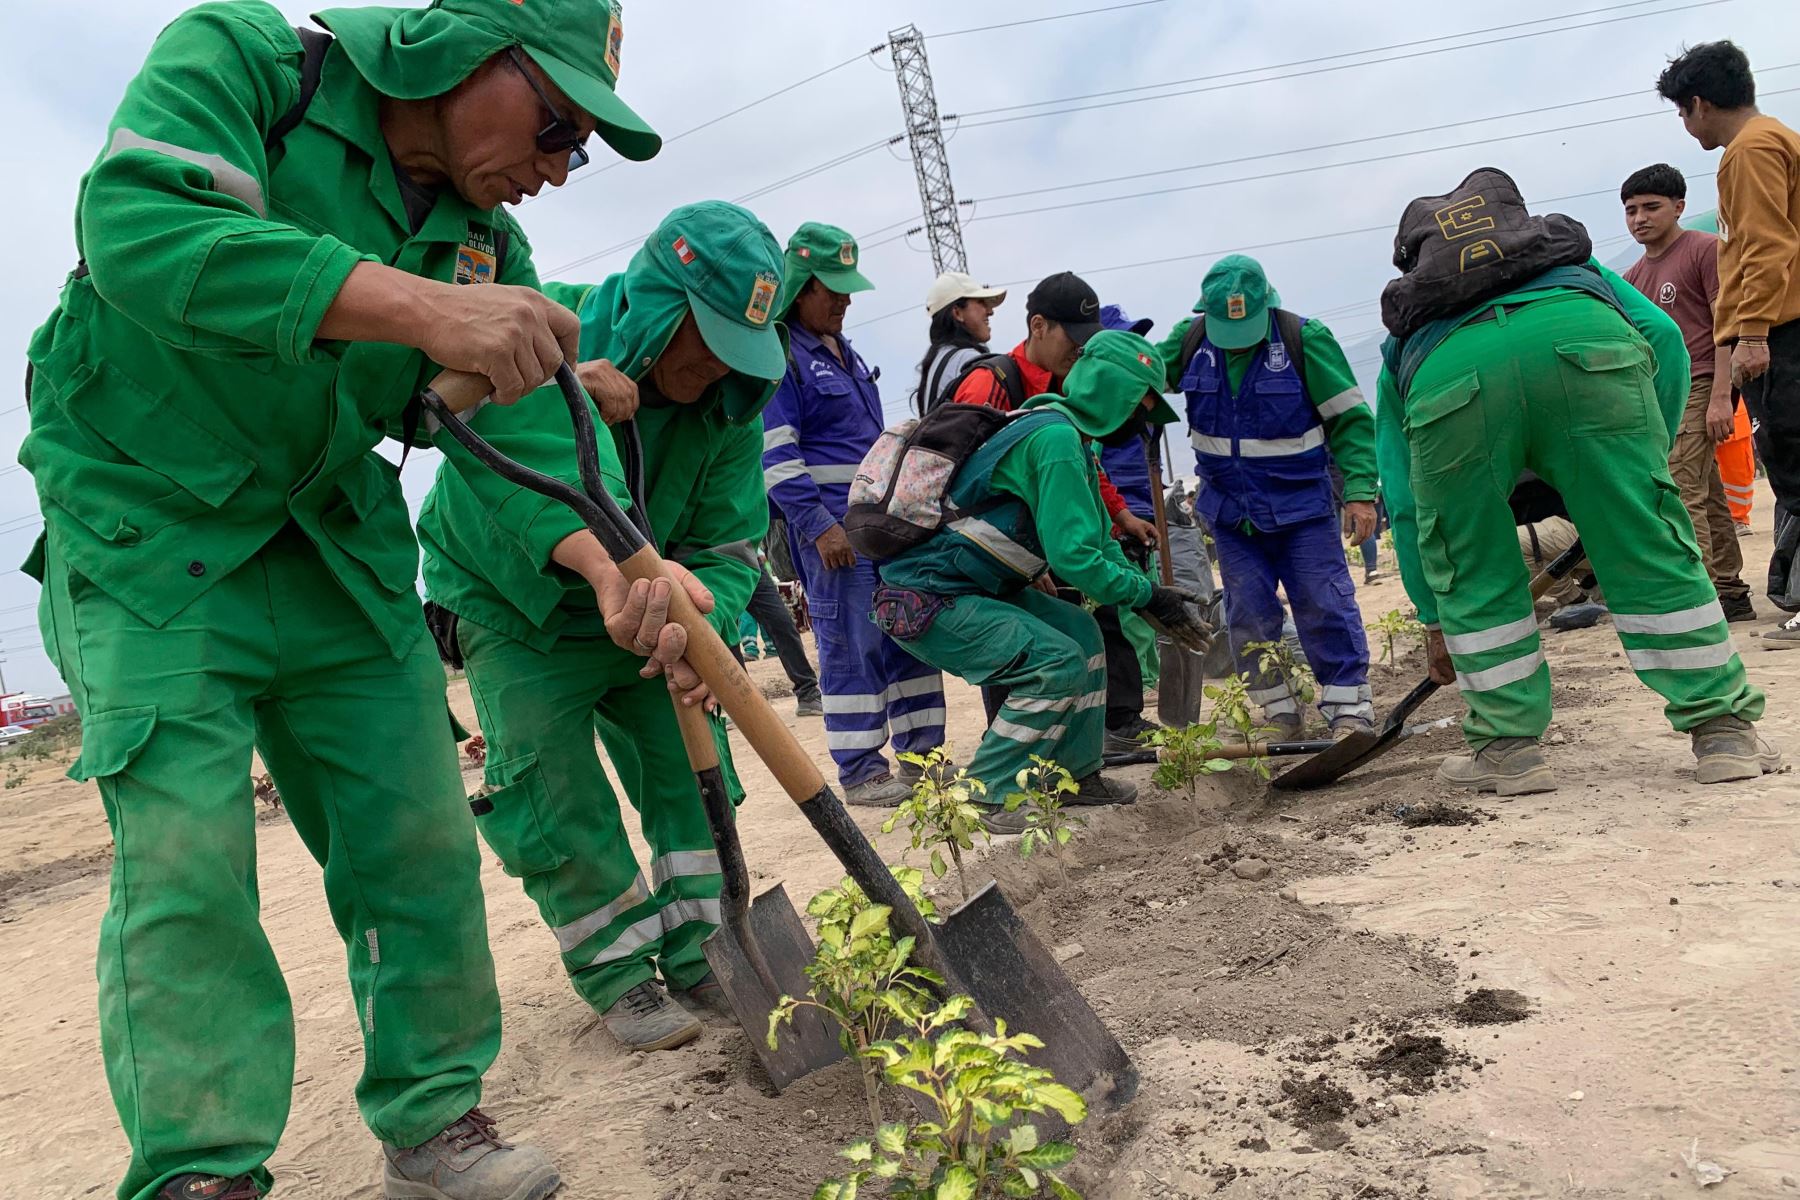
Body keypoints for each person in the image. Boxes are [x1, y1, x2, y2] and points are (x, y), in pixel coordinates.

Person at [21, 2, 665, 1196]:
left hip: (327, 530)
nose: (557, 167)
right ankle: (203, 1170)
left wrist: (613, 563)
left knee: (414, 833)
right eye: (558, 122)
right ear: (469, 50)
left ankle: (435, 1123)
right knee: (188, 857)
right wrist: (425, 311)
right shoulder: (250, 65)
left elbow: (484, 424)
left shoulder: (481, 241)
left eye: (577, 149)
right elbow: (140, 228)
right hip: (147, 529)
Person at [420, 201, 787, 1052]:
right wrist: (565, 394)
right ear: (665, 308)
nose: (723, 371)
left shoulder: (730, 412)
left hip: (656, 612)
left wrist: (708, 623)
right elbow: (472, 435)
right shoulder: (547, 324)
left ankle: (705, 947)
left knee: (687, 768)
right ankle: (619, 972)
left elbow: (731, 544)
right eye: (712, 342)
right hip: (518, 602)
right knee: (552, 790)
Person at [1376, 170, 1777, 794]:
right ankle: (1722, 730)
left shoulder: (1410, 327)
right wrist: (1643, 462)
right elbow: (1667, 341)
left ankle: (1509, 749)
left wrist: (1434, 615)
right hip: (1586, 346)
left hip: (1448, 377)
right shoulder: (1573, 269)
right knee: (1650, 547)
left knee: (1472, 560)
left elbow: (1404, 499)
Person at [874, 332, 1205, 830]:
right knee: (1055, 662)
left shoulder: (1063, 433)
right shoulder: (1055, 441)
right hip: (928, 597)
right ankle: (985, 795)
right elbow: (1073, 558)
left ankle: (1074, 775)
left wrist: (1144, 592)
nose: (1143, 423)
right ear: (1118, 395)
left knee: (1082, 634)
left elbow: (1097, 541)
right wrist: (1145, 594)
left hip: (968, 588)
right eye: (1143, 406)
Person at [1155, 255, 1379, 738]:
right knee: (1249, 614)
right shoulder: (1190, 342)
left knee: (1323, 602)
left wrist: (1360, 492)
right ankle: (1278, 713)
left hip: (1302, 509)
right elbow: (1140, 378)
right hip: (1233, 515)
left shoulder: (1304, 340)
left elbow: (1351, 422)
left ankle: (1348, 709)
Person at [761, 223, 947, 805]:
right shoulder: (783, 356)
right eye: (832, 290)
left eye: (847, 290)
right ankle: (862, 770)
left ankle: (925, 758)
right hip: (836, 536)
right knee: (851, 644)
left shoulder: (849, 354)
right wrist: (818, 526)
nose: (844, 301)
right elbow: (777, 457)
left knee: (909, 635)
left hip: (884, 530)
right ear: (800, 287)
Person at [1658, 41, 1800, 631]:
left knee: (1794, 462)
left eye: (1683, 114)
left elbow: (1767, 248)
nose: (1687, 127)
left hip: (1785, 333)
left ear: (1699, 103)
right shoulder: (1775, 138)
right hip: (1784, 328)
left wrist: (1755, 334)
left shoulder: (1750, 150)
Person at [1620, 163, 1755, 621]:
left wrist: (1722, 395)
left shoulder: (1704, 250)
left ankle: (1698, 600)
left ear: (1678, 207)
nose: (1640, 218)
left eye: (1651, 207)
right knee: (1706, 489)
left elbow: (1726, 326)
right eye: (1631, 210)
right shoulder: (1633, 277)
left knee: (1681, 489)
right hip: (1664, 391)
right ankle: (1730, 591)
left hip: (1702, 380)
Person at [914, 271, 1008, 414]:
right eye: (981, 302)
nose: (990, 311)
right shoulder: (967, 359)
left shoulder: (938, 359)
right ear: (957, 313)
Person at [743, 553, 824, 714]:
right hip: (708, 563)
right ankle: (740, 705)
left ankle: (808, 693)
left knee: (782, 622)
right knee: (721, 635)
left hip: (747, 560)